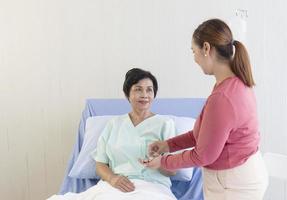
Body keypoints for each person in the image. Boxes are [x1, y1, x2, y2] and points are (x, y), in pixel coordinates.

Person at [143, 18, 269, 200]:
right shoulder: (234, 84)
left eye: (194, 51)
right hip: (240, 176)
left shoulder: (223, 98)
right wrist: (168, 145)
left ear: (207, 49)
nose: (194, 59)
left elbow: (203, 155)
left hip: (233, 185)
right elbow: (204, 136)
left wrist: (163, 161)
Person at [47, 68, 177, 200]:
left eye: (149, 90)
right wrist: (113, 179)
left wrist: (159, 163)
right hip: (114, 188)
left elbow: (173, 171)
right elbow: (100, 163)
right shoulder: (113, 124)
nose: (145, 94)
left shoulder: (165, 124)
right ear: (127, 94)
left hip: (152, 188)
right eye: (138, 89)